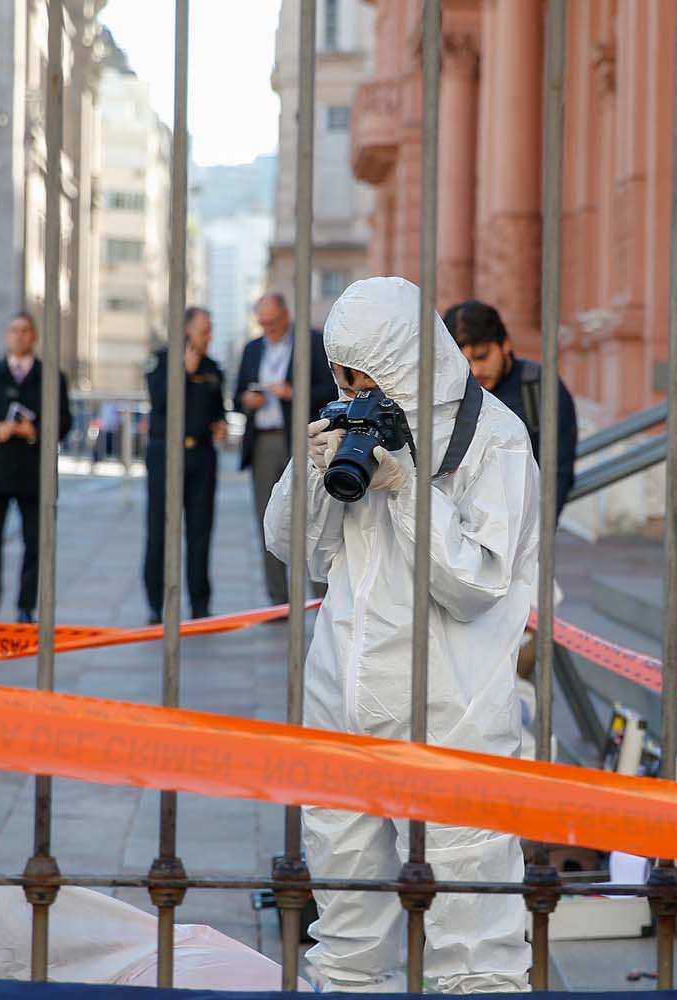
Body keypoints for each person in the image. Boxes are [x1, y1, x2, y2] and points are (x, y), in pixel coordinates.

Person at [265, 277, 535, 993]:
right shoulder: (351, 428)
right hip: (344, 697)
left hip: (454, 706)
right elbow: (297, 549)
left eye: (366, 375)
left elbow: (476, 584)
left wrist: (408, 487)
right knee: (347, 931)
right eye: (342, 375)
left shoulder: (497, 439)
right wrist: (314, 466)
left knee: (474, 935)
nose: (355, 389)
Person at [234, 292, 337, 607]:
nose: (270, 330)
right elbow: (237, 391)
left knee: (311, 514)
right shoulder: (253, 349)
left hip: (302, 439)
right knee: (269, 518)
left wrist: (294, 392)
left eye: (274, 324)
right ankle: (278, 600)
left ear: (286, 316)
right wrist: (246, 400)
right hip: (264, 438)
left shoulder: (310, 341)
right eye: (263, 324)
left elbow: (331, 388)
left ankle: (321, 598)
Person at [0, 312, 72, 624]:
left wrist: (38, 430)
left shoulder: (51, 377)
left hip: (34, 473)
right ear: (8, 335)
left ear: (34, 336)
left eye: (25, 331)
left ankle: (25, 607)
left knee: (35, 543)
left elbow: (65, 421)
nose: (19, 336)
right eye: (14, 330)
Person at [445, 298, 577, 517]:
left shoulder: (538, 387)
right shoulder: (446, 392)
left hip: (521, 527)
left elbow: (558, 471)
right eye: (464, 361)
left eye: (482, 356)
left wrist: (538, 534)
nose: (475, 370)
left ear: (505, 344)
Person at [142, 307, 226, 624]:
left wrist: (219, 426)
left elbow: (218, 408)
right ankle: (155, 603)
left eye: (210, 330)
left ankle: (200, 604)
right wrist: (182, 372)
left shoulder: (214, 368)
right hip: (166, 454)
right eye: (204, 330)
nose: (209, 336)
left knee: (200, 532)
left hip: (201, 456)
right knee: (160, 530)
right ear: (187, 331)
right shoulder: (161, 361)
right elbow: (158, 399)